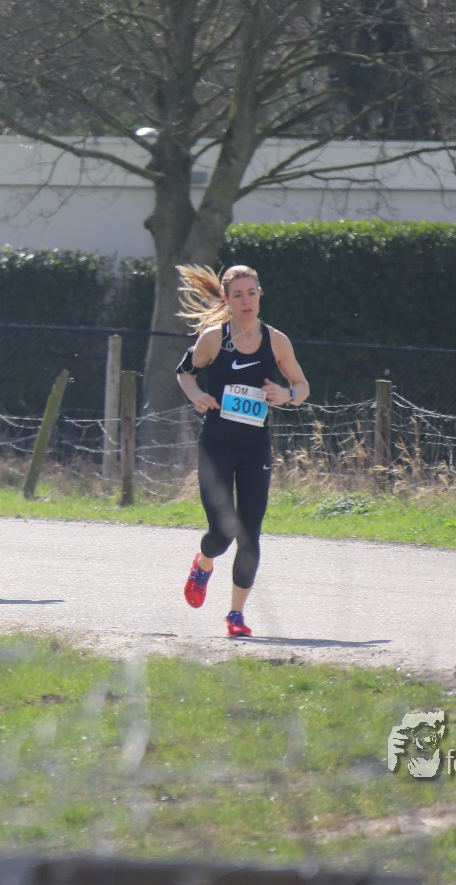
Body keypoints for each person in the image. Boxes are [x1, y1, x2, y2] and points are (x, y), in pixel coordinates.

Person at [172, 263, 309, 637]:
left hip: (255, 450)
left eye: (252, 293)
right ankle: (203, 562)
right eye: (238, 295)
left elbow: (302, 386)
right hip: (216, 447)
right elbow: (184, 372)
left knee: (250, 533)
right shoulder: (213, 339)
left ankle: (235, 615)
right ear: (226, 299)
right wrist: (197, 395)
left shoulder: (276, 341)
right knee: (222, 533)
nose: (247, 301)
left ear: (260, 295)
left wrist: (286, 394)